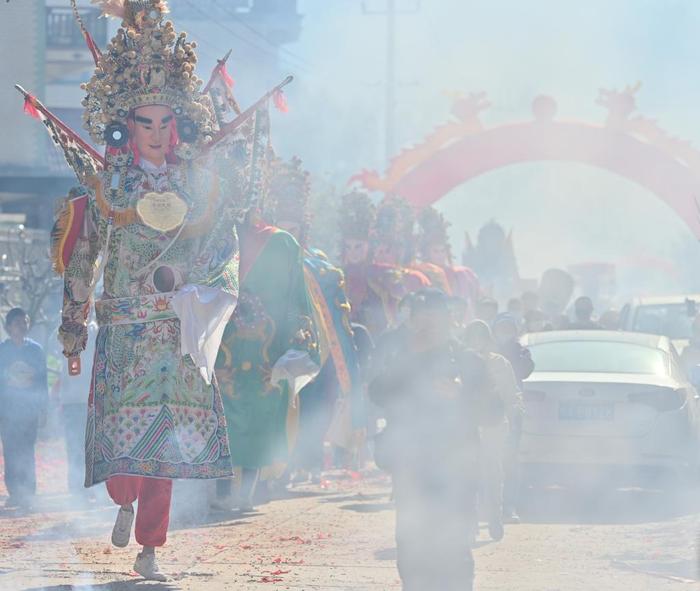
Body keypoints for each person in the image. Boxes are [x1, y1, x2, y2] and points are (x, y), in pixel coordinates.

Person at [30, 1, 259, 580]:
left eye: (166, 124)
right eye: (144, 124)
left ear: (179, 127)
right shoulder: (111, 185)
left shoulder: (197, 187)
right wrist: (73, 328)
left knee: (167, 449)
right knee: (123, 440)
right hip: (126, 334)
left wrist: (204, 292)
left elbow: (221, 250)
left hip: (175, 332)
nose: (157, 136)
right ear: (126, 128)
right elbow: (84, 256)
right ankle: (122, 505)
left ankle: (151, 547)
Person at [370, 289, 497, 591]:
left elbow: (494, 412)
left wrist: (461, 394)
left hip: (456, 469)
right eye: (421, 319)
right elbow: (376, 393)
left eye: (434, 319)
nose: (427, 326)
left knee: (453, 548)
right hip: (411, 467)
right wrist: (404, 363)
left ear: (449, 321)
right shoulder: (401, 358)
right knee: (411, 545)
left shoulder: (467, 361)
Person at [214, 205, 319, 511]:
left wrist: (298, 342)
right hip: (227, 344)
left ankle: (243, 492)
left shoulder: (282, 242)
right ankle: (225, 492)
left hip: (265, 348)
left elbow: (296, 298)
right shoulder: (215, 238)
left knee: (254, 419)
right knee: (226, 417)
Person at [464, 320, 523, 542]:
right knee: (468, 474)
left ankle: (494, 518)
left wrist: (514, 414)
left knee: (493, 472)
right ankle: (470, 524)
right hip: (467, 426)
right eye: (473, 337)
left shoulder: (500, 364)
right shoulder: (461, 362)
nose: (477, 342)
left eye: (481, 337)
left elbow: (511, 394)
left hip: (494, 425)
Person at [0, 308, 48, 510]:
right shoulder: (3, 350)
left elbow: (42, 381)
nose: (23, 325)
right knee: (10, 451)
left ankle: (28, 493)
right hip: (8, 411)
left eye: (25, 322)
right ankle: (15, 493)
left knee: (27, 451)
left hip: (29, 410)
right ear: (9, 326)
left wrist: (43, 409)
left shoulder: (35, 350)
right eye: (19, 322)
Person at [492, 313, 533, 523]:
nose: (504, 332)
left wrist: (513, 352)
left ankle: (508, 507)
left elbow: (526, 370)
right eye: (501, 328)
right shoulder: (486, 352)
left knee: (509, 460)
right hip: (486, 412)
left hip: (512, 412)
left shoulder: (520, 352)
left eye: (509, 328)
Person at [58, 319, 96, 500]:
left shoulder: (95, 329)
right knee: (74, 446)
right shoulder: (63, 330)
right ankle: (76, 487)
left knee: (92, 446)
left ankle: (92, 487)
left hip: (92, 400)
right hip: (72, 401)